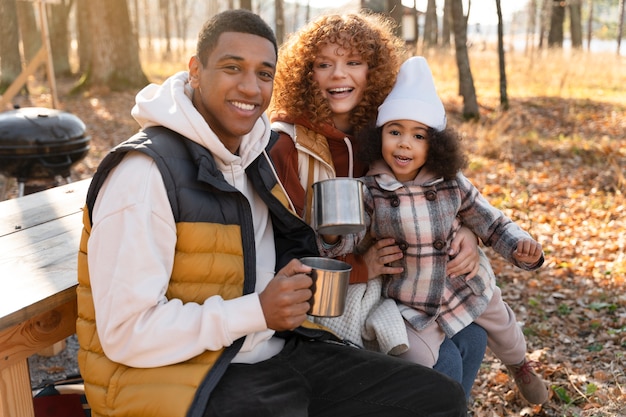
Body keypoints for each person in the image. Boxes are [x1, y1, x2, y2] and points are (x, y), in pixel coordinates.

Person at [75, 10, 468, 417]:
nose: (250, 86)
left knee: (438, 399)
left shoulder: (251, 157)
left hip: (273, 347)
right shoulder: (145, 174)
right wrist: (257, 311)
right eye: (232, 67)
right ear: (195, 70)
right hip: (181, 377)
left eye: (264, 73)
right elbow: (126, 334)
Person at [268, 12, 486, 398]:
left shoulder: (386, 134)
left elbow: (438, 185)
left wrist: (467, 230)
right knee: (441, 368)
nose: (339, 75)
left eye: (353, 62)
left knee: (473, 337)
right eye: (324, 64)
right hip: (332, 299)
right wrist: (360, 268)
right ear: (305, 74)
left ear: (375, 73)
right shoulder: (287, 144)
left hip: (397, 285)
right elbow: (281, 249)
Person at [319, 56, 550, 405]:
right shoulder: (370, 190)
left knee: (504, 329)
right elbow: (348, 238)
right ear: (379, 136)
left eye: (418, 136)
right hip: (414, 300)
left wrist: (518, 245)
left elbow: (489, 219)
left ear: (435, 145)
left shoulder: (451, 184)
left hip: (464, 286)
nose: (404, 144)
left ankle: (521, 368)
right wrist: (334, 236)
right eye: (394, 132)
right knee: (419, 363)